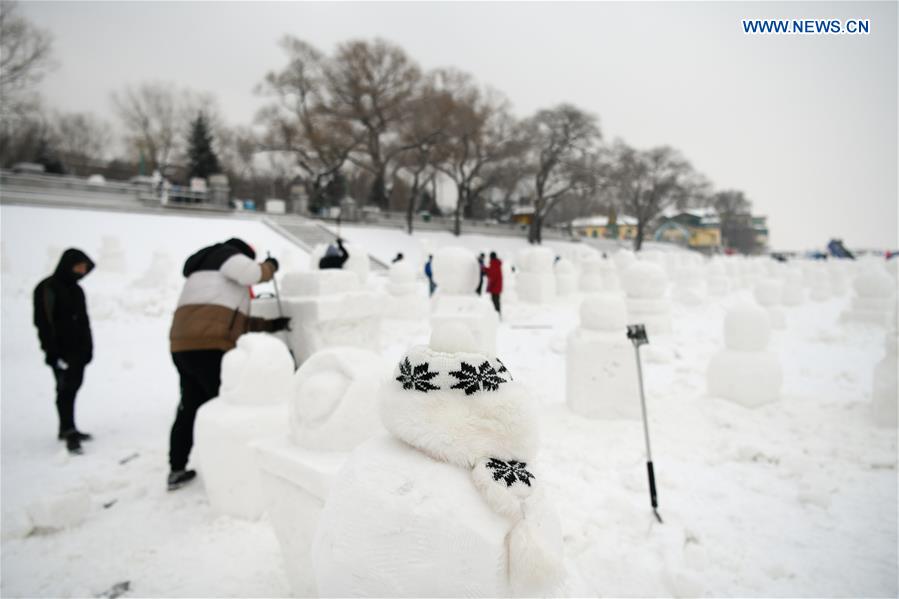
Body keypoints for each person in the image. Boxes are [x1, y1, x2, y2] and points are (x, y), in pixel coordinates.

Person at [167, 238, 290, 491]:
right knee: (227, 410)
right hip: (209, 346)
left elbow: (232, 321)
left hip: (183, 345)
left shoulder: (206, 276)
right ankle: (228, 475)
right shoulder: (226, 255)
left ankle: (176, 467)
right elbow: (254, 273)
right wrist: (270, 265)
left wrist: (269, 325)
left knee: (190, 406)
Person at [33, 248, 96, 455]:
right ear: (68, 265)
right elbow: (43, 322)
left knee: (74, 386)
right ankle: (67, 429)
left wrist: (88, 347)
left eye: (84, 267)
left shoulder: (76, 290)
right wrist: (51, 351)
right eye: (79, 266)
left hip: (78, 349)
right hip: (60, 350)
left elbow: (84, 321)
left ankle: (68, 427)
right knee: (65, 389)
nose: (82, 270)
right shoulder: (48, 288)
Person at [484, 251, 503, 317]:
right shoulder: (496, 264)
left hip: (495, 287)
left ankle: (497, 315)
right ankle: (497, 314)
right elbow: (492, 272)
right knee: (496, 301)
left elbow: (492, 274)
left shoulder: (494, 263)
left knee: (495, 301)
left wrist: (484, 269)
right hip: (497, 286)